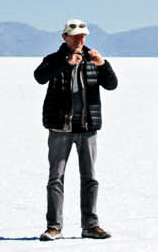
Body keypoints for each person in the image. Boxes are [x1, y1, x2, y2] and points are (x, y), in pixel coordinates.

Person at [33, 19, 117, 240]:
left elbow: (111, 84)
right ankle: (54, 226)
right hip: (60, 128)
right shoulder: (53, 60)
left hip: (87, 127)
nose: (80, 40)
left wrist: (103, 65)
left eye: (83, 36)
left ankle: (90, 225)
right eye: (76, 36)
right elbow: (40, 77)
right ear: (64, 37)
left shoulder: (92, 59)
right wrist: (65, 63)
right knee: (56, 177)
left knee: (89, 177)